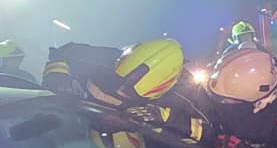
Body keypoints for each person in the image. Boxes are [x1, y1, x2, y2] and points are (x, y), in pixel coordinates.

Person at [152, 48, 277, 148]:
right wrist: (171, 119)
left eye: (229, 101)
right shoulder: (238, 94)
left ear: (259, 101)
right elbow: (212, 123)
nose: (224, 104)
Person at [42, 39, 186, 107]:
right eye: (119, 79)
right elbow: (63, 53)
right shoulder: (105, 58)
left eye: (130, 91)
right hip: (69, 113)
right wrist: (57, 76)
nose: (120, 89)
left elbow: (197, 133)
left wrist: (167, 119)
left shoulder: (174, 100)